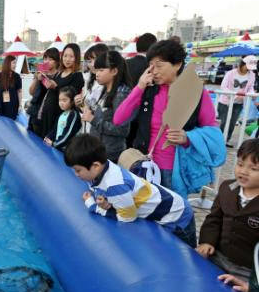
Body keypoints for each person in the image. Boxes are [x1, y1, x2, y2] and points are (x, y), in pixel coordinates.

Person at [113, 39, 218, 189]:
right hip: (144, 166)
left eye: (159, 65)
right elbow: (118, 119)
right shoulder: (148, 90)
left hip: (175, 169)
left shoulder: (195, 92)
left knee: (173, 210)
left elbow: (211, 130)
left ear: (177, 64)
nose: (154, 71)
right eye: (151, 66)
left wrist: (187, 138)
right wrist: (140, 86)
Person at [65, 134, 197, 247]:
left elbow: (127, 218)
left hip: (176, 217)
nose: (76, 174)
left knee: (188, 256)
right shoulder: (102, 169)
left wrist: (94, 206)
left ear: (95, 166)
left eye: (78, 170)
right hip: (165, 207)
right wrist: (107, 203)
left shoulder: (115, 185)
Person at [196, 139, 259, 279]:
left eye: (253, 169)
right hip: (218, 257)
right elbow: (214, 218)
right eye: (240, 164)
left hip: (248, 271)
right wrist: (207, 241)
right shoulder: (227, 188)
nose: (243, 171)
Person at [81, 51, 132, 162]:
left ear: (114, 71)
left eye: (101, 70)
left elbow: (122, 130)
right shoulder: (107, 90)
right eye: (96, 70)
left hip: (109, 154)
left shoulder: (121, 94)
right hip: (99, 150)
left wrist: (93, 119)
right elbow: (103, 114)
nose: (97, 74)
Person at [39, 44, 85, 138]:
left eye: (71, 56)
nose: (67, 59)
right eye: (65, 56)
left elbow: (71, 96)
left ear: (77, 58)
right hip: (47, 114)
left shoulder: (77, 76)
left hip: (61, 118)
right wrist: (43, 80)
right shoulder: (59, 72)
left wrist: (56, 87)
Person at [217, 57, 257, 147]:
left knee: (232, 123)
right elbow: (223, 87)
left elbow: (250, 88)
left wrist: (251, 94)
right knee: (224, 122)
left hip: (239, 103)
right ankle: (218, 140)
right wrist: (234, 95)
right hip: (225, 102)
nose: (249, 69)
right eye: (247, 66)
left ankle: (226, 140)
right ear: (242, 64)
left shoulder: (252, 75)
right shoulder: (230, 73)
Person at [27, 48, 61, 136]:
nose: (47, 61)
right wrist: (37, 79)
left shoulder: (59, 76)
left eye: (50, 59)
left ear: (57, 61)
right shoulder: (40, 73)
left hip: (49, 116)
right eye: (45, 59)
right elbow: (31, 92)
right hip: (35, 112)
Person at [43, 86, 81, 151]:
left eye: (64, 100)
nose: (61, 103)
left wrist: (54, 144)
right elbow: (55, 130)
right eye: (60, 100)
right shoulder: (61, 115)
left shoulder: (73, 114)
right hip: (58, 147)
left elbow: (68, 134)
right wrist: (48, 137)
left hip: (67, 150)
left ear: (72, 101)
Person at [76, 43, 109, 116]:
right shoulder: (89, 81)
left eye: (95, 59)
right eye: (89, 61)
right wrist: (80, 104)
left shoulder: (110, 85)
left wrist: (91, 118)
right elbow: (85, 108)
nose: (92, 64)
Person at [0, 55, 22, 120]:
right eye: (13, 63)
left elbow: (19, 91)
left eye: (15, 63)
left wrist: (20, 105)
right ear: (7, 63)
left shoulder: (17, 76)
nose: (15, 65)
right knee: (2, 123)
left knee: (12, 124)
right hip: (1, 104)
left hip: (13, 105)